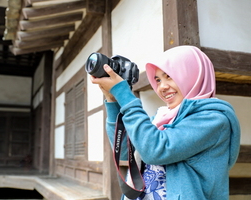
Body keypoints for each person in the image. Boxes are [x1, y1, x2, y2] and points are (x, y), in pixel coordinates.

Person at [90, 45, 241, 200]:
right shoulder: (162, 116)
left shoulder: (213, 120)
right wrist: (113, 100)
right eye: (158, 80)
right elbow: (125, 153)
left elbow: (154, 150)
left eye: (169, 76)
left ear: (192, 74)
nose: (162, 87)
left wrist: (124, 93)